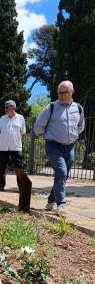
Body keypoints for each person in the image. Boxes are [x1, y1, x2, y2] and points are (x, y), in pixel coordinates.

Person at [34, 80, 85, 214]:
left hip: (70, 146)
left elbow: (81, 126)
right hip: (53, 145)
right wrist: (48, 135)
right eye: (60, 93)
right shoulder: (51, 107)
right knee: (62, 172)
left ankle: (51, 201)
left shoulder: (78, 108)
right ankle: (61, 203)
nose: (62, 95)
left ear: (72, 92)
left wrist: (72, 135)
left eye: (65, 92)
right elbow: (37, 127)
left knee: (62, 175)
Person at [0, 100, 26, 191]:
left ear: (13, 107)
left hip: (16, 148)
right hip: (3, 148)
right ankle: (1, 185)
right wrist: (0, 141)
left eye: (7, 107)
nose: (5, 109)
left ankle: (21, 186)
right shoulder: (2, 118)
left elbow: (23, 133)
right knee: (2, 167)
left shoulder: (20, 118)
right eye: (5, 107)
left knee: (18, 168)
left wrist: (17, 141)